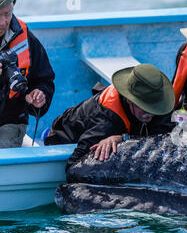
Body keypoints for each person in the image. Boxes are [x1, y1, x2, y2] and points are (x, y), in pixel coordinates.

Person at [44, 64, 176, 168]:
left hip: (123, 130)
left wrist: (125, 139)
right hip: (63, 136)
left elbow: (166, 136)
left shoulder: (158, 102)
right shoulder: (104, 123)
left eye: (154, 110)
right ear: (130, 100)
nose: (151, 116)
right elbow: (74, 165)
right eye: (145, 109)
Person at [0, 0, 55, 148]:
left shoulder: (26, 38)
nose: (3, 22)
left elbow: (44, 79)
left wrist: (39, 95)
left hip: (10, 121)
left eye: (7, 14)